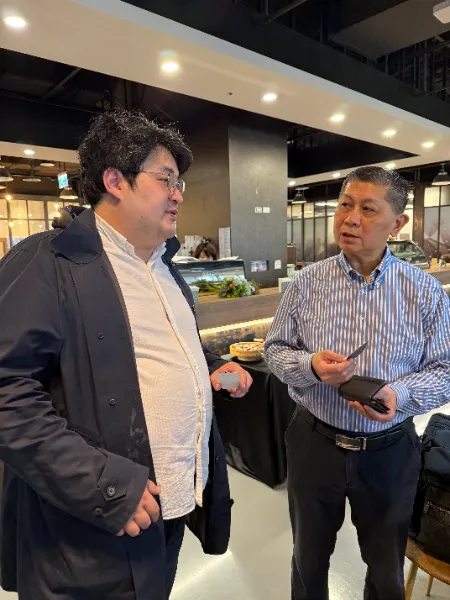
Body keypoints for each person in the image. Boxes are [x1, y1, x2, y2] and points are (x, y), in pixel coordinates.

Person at [0, 109, 253, 600]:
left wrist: (206, 367)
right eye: (165, 179)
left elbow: (151, 350)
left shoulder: (165, 267)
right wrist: (103, 484)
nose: (178, 194)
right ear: (115, 181)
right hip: (90, 527)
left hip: (167, 508)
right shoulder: (47, 261)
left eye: (179, 182)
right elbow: (7, 391)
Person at [265, 166, 450, 600]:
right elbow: (275, 350)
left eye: (368, 209)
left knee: (385, 569)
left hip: (389, 451)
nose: (350, 218)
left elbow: (445, 370)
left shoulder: (425, 291)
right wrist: (310, 366)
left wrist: (397, 394)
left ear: (398, 223)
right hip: (314, 443)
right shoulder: (306, 283)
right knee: (308, 560)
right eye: (345, 205)